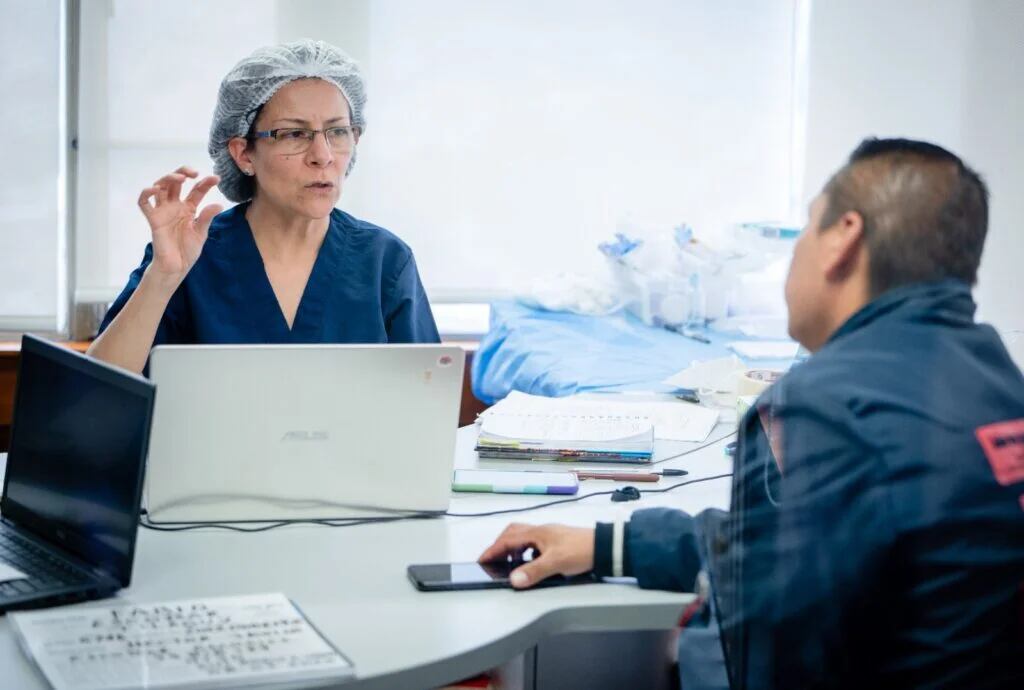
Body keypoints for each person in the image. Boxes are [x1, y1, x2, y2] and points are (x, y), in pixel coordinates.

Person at [479, 138, 1024, 688]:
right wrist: (607, 546)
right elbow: (788, 547)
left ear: (844, 237)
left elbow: (770, 662)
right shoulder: (999, 382)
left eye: (809, 228)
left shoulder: (827, 406)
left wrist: (686, 649)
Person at [88, 40, 438, 373]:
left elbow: (427, 400)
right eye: (294, 134)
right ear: (243, 154)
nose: (323, 156)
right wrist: (162, 278)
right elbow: (96, 395)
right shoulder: (188, 257)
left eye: (338, 132)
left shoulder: (384, 260)